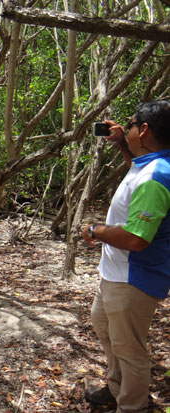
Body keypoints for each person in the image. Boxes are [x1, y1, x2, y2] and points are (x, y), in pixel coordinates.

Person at [81, 100, 170, 413]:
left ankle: (132, 407)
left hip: (134, 279)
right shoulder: (149, 162)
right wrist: (121, 142)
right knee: (104, 328)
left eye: (130, 124)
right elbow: (134, 166)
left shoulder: (156, 177)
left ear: (143, 130)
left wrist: (96, 230)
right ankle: (116, 388)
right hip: (115, 273)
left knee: (130, 350)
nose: (127, 126)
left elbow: (136, 239)